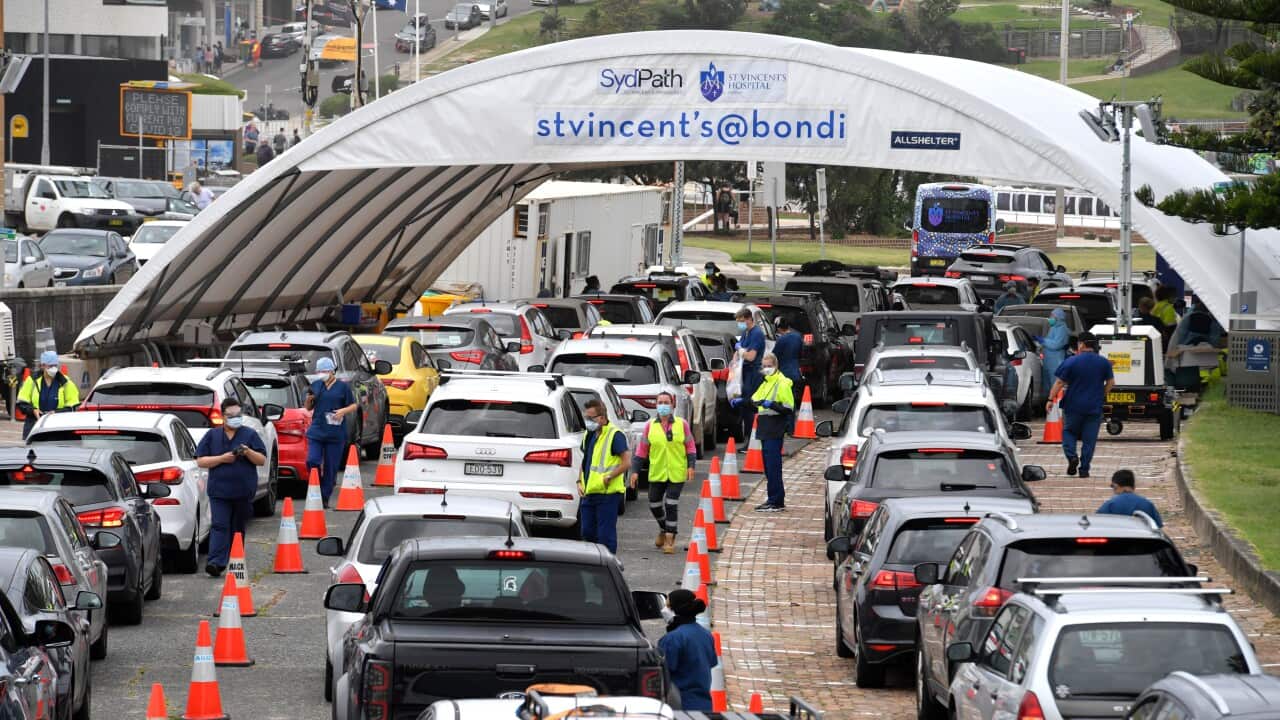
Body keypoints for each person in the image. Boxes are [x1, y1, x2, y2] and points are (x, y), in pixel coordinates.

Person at [195, 397, 266, 576]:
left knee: (237, 527)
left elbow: (262, 459)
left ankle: (235, 560)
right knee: (219, 524)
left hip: (243, 491)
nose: (235, 418)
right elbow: (201, 460)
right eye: (231, 415)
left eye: (238, 414)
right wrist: (221, 458)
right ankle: (216, 562)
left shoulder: (249, 434)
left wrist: (248, 451)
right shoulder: (213, 435)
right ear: (223, 416)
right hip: (219, 491)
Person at [630, 391, 696, 554]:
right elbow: (641, 451)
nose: (663, 406)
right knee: (654, 503)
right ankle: (663, 527)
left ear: (673, 405)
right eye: (660, 402)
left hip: (676, 472)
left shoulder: (682, 424)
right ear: (656, 405)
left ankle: (670, 539)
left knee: (671, 503)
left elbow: (690, 447)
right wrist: (635, 471)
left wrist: (691, 466)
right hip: (657, 472)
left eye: (666, 402)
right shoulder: (649, 426)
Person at [1046, 332, 1114, 479]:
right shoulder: (1103, 362)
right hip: (1094, 407)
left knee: (1069, 432)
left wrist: (1050, 399)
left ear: (1082, 344)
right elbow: (1111, 383)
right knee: (1089, 439)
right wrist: (1101, 394)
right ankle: (1084, 469)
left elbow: (1059, 382)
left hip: (1073, 405)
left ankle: (1071, 457)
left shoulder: (1071, 361)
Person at [578, 399, 630, 554]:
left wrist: (609, 477)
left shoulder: (615, 435)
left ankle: (608, 567)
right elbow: (585, 460)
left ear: (602, 417)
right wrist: (579, 481)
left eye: (591, 418)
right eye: (586, 417)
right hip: (588, 493)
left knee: (605, 537)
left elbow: (626, 462)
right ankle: (593, 566)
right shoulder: (589, 434)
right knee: (587, 533)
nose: (588, 421)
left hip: (607, 494)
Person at [305, 357, 357, 506]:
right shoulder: (316, 385)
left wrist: (342, 411)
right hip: (317, 429)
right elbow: (308, 407)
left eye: (325, 371)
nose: (322, 374)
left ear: (332, 371)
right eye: (319, 371)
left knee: (331, 467)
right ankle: (316, 485)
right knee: (312, 460)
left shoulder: (343, 387)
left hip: (335, 432)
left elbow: (354, 405)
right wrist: (309, 399)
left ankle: (324, 496)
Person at [657, 589, 718, 711]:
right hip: (704, 705)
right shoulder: (706, 635)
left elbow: (661, 673)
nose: (664, 609)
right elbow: (711, 662)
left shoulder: (672, 639)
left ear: (675, 609)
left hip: (680, 706)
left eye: (667, 605)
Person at [752, 353, 794, 512]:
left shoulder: (781, 382)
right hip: (765, 428)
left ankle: (775, 500)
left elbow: (788, 408)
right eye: (764, 366)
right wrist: (742, 401)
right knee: (769, 468)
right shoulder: (766, 383)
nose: (766, 369)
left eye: (769, 365)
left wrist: (772, 405)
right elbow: (755, 400)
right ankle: (773, 499)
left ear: (776, 366)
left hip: (774, 428)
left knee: (773, 466)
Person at [17, 351, 79, 439]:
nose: (53, 368)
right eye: (50, 366)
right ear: (42, 366)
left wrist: (56, 412)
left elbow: (74, 406)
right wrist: (33, 410)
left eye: (55, 365)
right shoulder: (32, 380)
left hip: (58, 428)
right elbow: (21, 403)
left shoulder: (65, 382)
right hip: (35, 426)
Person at [729, 308, 766, 444]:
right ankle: (750, 439)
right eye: (738, 322)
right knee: (745, 408)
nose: (740, 324)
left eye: (742, 321)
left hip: (753, 373)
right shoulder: (746, 333)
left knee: (750, 406)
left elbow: (751, 357)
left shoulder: (756, 334)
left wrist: (739, 349)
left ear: (749, 319)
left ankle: (753, 440)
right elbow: (738, 353)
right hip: (745, 373)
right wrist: (734, 362)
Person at [1097, 469, 1163, 527]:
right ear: (1133, 486)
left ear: (1115, 486)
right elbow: (1157, 527)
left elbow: (1097, 522)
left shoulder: (1110, 504)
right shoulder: (1147, 504)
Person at [771, 317, 803, 434]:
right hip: (795, 372)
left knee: (782, 401)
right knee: (791, 400)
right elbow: (800, 354)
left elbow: (774, 357)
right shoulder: (797, 337)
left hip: (784, 374)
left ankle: (785, 426)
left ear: (779, 328)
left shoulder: (782, 340)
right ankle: (791, 428)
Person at [1037, 307, 1071, 396]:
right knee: (1048, 386)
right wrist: (1041, 344)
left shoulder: (1062, 329)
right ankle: (1049, 405)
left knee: (1055, 386)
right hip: (1049, 361)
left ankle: (1056, 406)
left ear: (1058, 317)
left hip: (1056, 361)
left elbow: (1056, 345)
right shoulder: (1054, 327)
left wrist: (1043, 341)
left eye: (1052, 316)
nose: (1050, 318)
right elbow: (1050, 341)